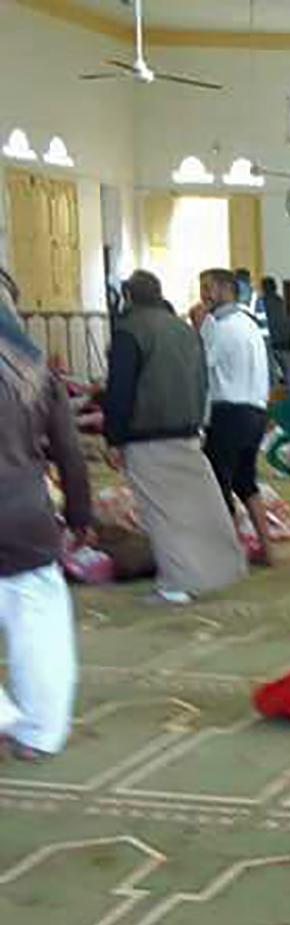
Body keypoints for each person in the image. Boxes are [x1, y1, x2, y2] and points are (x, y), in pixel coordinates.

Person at [104, 270, 247, 602]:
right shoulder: (184, 330)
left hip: (146, 434)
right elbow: (202, 381)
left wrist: (114, 437)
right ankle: (214, 570)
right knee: (194, 508)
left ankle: (175, 584)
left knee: (162, 513)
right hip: (186, 431)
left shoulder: (130, 331)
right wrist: (199, 424)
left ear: (128, 297)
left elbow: (120, 389)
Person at [0, 266, 92, 761]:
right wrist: (80, 515)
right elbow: (69, 452)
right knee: (40, 632)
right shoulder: (36, 368)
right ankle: (38, 732)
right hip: (26, 517)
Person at [200, 268, 274, 568]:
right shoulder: (250, 323)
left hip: (228, 412)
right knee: (246, 482)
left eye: (207, 288)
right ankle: (267, 549)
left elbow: (202, 365)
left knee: (217, 483)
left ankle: (229, 555)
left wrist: (199, 328)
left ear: (223, 290)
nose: (203, 295)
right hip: (255, 410)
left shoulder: (218, 325)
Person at [259, 276, 290, 386]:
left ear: (263, 288)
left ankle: (276, 398)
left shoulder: (261, 303)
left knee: (272, 376)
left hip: (270, 343)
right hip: (286, 342)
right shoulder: (284, 302)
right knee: (289, 375)